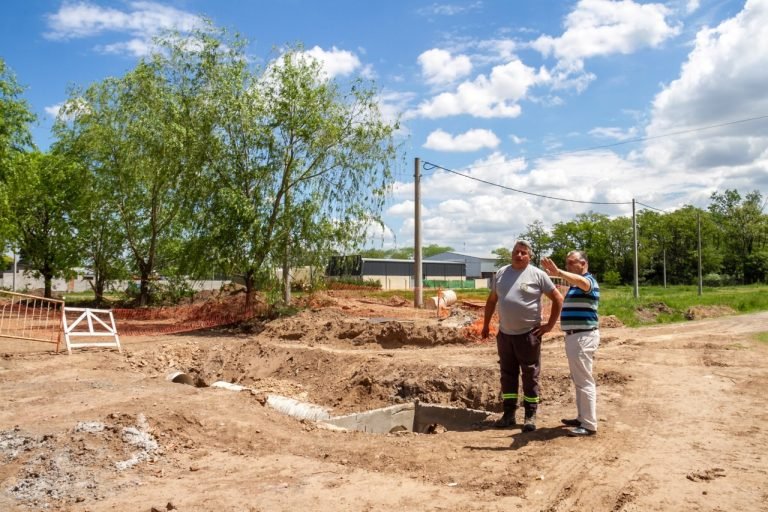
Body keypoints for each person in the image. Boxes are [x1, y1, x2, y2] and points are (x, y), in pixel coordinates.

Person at [481, 240, 563, 432]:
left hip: (528, 335)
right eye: (517, 252)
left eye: (523, 253)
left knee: (530, 375)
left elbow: (558, 298)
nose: (519, 255)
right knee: (507, 375)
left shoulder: (538, 275)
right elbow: (492, 300)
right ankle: (509, 414)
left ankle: (530, 415)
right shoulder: (501, 273)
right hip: (505, 335)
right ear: (512, 253)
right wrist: (485, 325)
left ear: (529, 256)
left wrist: (549, 325)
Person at [541, 251, 600, 437]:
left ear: (583, 263)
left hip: (582, 337)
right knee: (579, 380)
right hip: (576, 337)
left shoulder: (588, 281)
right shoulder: (577, 284)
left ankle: (589, 424)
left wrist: (558, 272)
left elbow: (584, 283)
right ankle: (582, 418)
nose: (567, 266)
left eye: (570, 263)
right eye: (566, 264)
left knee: (584, 381)